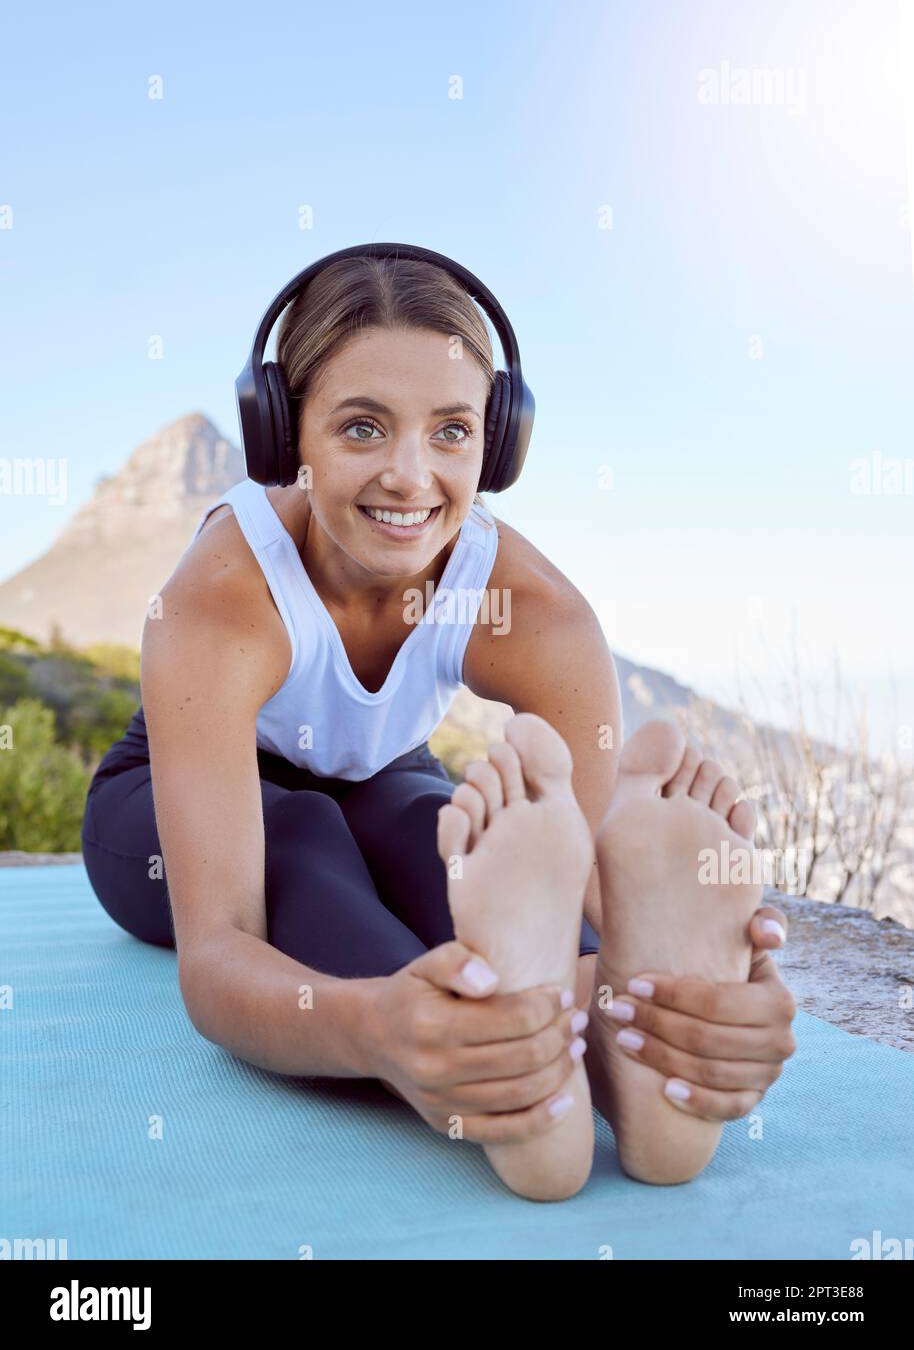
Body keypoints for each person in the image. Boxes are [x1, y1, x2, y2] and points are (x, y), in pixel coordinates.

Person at [81, 248, 796, 1202]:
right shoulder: (221, 597)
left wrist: (713, 1007)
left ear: (496, 446)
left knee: (445, 837)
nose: (410, 478)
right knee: (303, 835)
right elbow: (218, 959)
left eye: (452, 431)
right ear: (286, 431)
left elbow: (577, 878)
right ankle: (501, 1060)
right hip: (163, 815)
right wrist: (380, 1032)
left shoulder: (537, 610)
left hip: (387, 776)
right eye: (364, 427)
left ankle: (634, 1042)